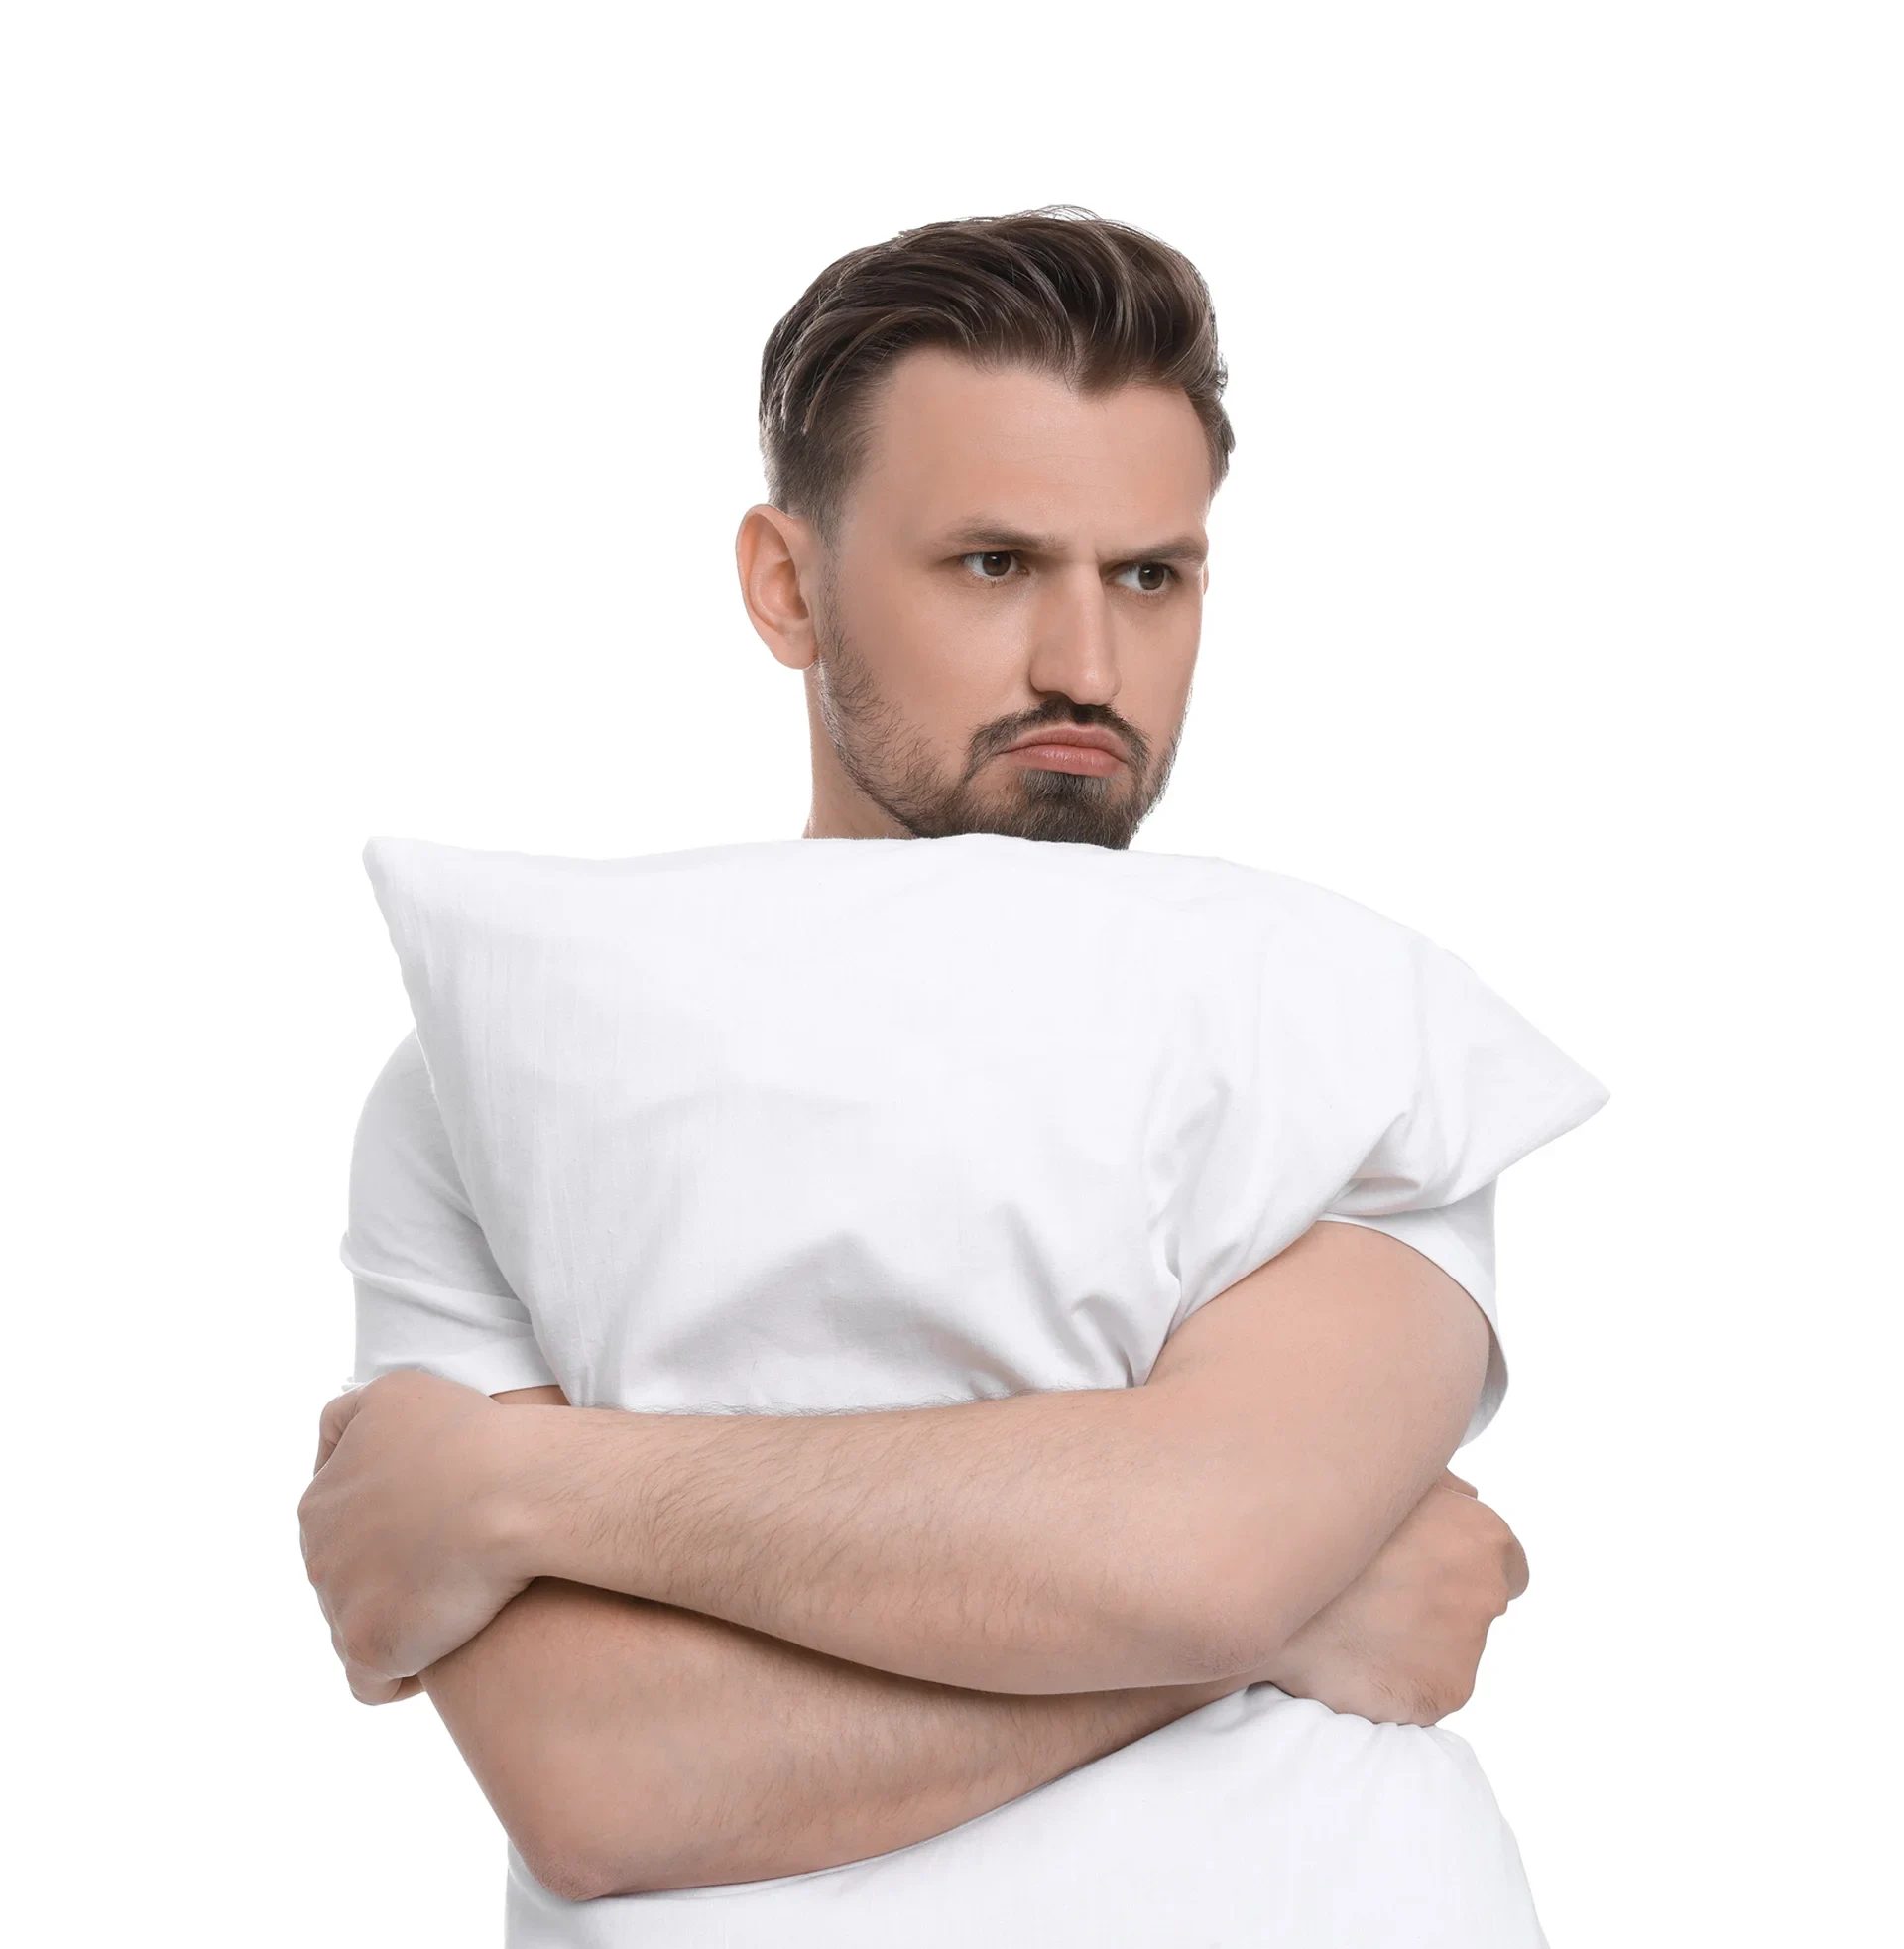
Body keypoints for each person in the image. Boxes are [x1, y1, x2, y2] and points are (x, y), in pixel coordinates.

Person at [300, 208, 1574, 1944]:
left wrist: (529, 1494)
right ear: (788, 584)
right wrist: (1294, 1629)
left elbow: (1204, 1551)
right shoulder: (509, 1057)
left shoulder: (1318, 1030)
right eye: (992, 565)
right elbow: (607, 1786)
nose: (1087, 667)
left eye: (1151, 575)